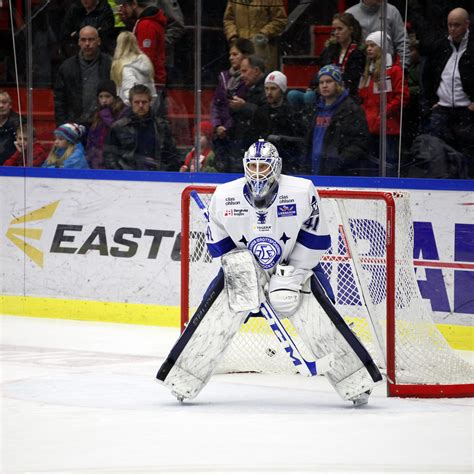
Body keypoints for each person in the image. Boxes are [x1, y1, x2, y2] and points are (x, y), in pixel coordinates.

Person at [156, 139, 382, 404]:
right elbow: (219, 246)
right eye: (252, 166)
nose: (258, 172)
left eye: (264, 165)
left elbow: (316, 239)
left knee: (322, 320)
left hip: (295, 265)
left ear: (277, 167)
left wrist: (294, 274)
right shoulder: (225, 195)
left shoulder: (301, 191)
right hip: (244, 269)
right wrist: (243, 270)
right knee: (213, 319)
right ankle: (183, 378)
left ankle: (357, 383)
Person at [422, 7, 474, 175]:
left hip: (466, 112)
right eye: (449, 25)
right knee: (437, 155)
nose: (452, 29)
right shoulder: (441, 46)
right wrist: (432, 101)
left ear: (467, 24)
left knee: (467, 155)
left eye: (457, 25)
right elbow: (427, 75)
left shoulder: (472, 47)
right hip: (442, 110)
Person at [358, 31, 409, 177]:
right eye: (367, 46)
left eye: (373, 45)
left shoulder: (394, 70)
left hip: (388, 129)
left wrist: (384, 113)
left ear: (382, 47)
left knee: (388, 165)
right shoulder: (368, 71)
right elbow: (364, 98)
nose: (368, 49)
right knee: (372, 166)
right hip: (370, 127)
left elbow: (402, 97)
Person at [305, 65, 370, 176]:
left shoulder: (351, 110)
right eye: (321, 82)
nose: (324, 85)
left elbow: (360, 143)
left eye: (329, 81)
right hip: (314, 170)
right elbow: (309, 142)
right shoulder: (315, 109)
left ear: (338, 84)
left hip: (338, 174)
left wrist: (338, 162)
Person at [104, 84, 180, 170]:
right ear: (131, 103)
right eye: (137, 102)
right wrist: (121, 175)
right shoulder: (118, 127)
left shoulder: (161, 127)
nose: (140, 105)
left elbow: (172, 155)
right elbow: (110, 156)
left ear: (150, 102)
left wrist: (165, 174)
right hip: (128, 178)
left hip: (157, 177)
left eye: (144, 102)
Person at [215, 54, 267, 173]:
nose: (242, 76)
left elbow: (265, 116)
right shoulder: (248, 88)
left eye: (244, 71)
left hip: (256, 152)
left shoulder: (267, 88)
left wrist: (244, 106)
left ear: (256, 71)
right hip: (242, 148)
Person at [54, 26, 112, 127]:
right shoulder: (67, 67)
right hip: (74, 123)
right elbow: (60, 100)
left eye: (91, 39)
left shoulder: (110, 64)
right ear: (79, 42)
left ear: (98, 41)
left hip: (103, 123)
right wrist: (62, 125)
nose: (87, 44)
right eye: (83, 40)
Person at [211, 38, 255, 169]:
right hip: (222, 136)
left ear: (246, 56)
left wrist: (227, 127)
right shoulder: (224, 77)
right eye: (230, 54)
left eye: (235, 54)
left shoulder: (248, 81)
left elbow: (239, 110)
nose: (231, 58)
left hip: (238, 136)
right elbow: (216, 104)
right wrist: (217, 125)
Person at [257, 70, 305, 174]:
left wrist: (281, 139)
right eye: (267, 89)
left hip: (287, 165)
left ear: (282, 90)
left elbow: (300, 141)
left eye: (273, 89)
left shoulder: (292, 113)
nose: (269, 92)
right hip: (262, 165)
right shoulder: (261, 111)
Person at [115, 0, 167, 92]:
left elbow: (146, 59)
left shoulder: (146, 25)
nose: (121, 9)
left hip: (148, 85)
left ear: (134, 4)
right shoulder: (144, 23)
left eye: (124, 5)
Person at [223, 0, 288, 72]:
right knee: (240, 79)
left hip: (263, 51)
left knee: (261, 78)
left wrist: (263, 34)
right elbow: (228, 19)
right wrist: (233, 37)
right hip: (241, 51)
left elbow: (280, 20)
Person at [346, 0, 410, 69]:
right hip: (359, 72)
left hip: (389, 70)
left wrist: (402, 68)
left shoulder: (392, 11)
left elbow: (402, 42)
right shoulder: (350, 14)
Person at [85, 79, 126, 169]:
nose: (104, 100)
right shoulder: (96, 114)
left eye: (107, 96)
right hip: (95, 161)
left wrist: (106, 115)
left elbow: (118, 133)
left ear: (114, 96)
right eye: (101, 97)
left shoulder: (122, 113)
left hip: (113, 162)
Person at [111, 30, 157, 106]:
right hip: (147, 106)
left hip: (133, 108)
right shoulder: (145, 62)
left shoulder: (125, 67)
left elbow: (129, 91)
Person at [0, 91, 21, 166]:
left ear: (10, 105)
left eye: (4, 102)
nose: (1, 105)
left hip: (13, 168)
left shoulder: (19, 123)